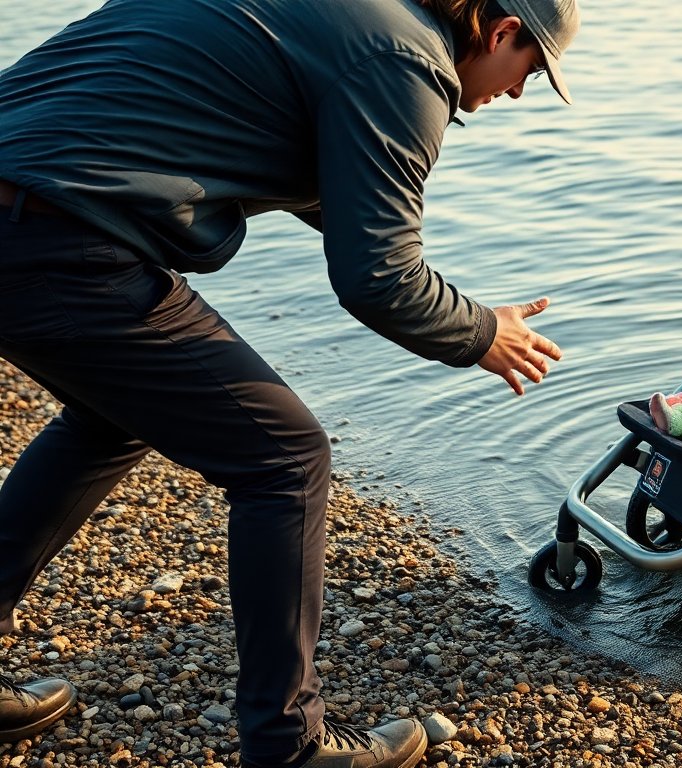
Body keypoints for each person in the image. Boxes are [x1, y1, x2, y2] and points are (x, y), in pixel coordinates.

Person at [0, 0, 579, 765]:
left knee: (113, 416)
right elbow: (377, 280)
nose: (515, 93)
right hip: (59, 234)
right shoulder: (409, 61)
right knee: (287, 459)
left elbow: (340, 204)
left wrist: (456, 306)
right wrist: (479, 333)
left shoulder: (341, 16)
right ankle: (290, 744)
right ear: (502, 30)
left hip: (27, 207)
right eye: (530, 71)